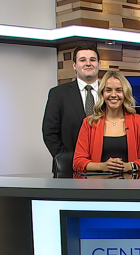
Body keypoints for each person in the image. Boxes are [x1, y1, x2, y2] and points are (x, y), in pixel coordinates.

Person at [73, 71, 140, 173]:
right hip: (97, 185)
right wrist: (102, 167)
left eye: (118, 90)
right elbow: (78, 162)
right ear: (102, 93)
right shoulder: (89, 123)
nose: (113, 95)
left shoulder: (139, 122)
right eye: (108, 90)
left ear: (125, 94)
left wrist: (128, 166)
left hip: (131, 185)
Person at [42, 44, 100, 173]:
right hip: (69, 168)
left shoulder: (110, 94)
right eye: (82, 60)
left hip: (105, 167)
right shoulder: (58, 94)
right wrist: (66, 158)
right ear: (74, 65)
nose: (88, 63)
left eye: (92, 59)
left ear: (99, 64)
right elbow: (50, 132)